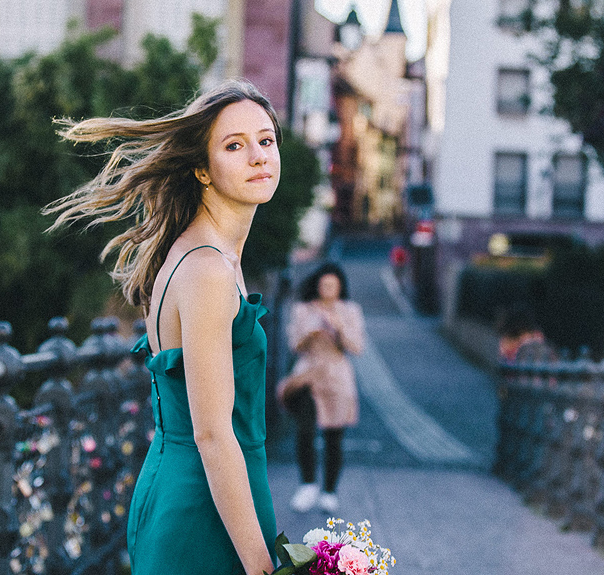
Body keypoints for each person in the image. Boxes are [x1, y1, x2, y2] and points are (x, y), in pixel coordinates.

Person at [45, 80, 280, 575]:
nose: (259, 156)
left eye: (266, 140)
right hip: (204, 511)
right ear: (202, 169)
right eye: (234, 146)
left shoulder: (206, 256)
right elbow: (213, 436)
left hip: (205, 493)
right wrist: (265, 569)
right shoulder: (208, 268)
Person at [277, 263, 366, 514]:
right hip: (308, 374)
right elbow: (295, 345)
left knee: (334, 436)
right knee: (304, 430)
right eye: (324, 284)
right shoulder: (303, 310)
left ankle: (329, 490)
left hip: (338, 377)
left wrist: (338, 325)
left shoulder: (350, 311)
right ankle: (307, 484)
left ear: (340, 288)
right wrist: (310, 331)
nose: (328, 289)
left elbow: (357, 347)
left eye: (333, 285)